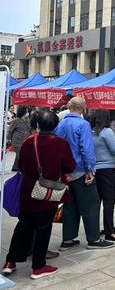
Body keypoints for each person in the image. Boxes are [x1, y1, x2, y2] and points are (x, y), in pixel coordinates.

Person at [2, 110, 76, 279]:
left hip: (28, 191)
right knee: (43, 228)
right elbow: (69, 166)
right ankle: (38, 266)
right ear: (55, 125)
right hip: (48, 193)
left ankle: (10, 262)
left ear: (37, 124)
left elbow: (20, 165)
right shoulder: (61, 143)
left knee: (23, 226)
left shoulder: (29, 142)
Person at [55, 97, 114, 250]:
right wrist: (90, 170)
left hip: (65, 171)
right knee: (91, 204)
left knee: (70, 205)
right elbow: (86, 148)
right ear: (84, 107)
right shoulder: (83, 124)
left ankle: (68, 239)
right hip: (80, 169)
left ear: (69, 106)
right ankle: (94, 239)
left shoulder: (61, 124)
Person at [91, 110, 115, 242]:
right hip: (107, 170)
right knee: (109, 201)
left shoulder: (90, 132)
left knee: (96, 201)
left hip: (94, 170)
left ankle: (94, 230)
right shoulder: (106, 132)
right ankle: (110, 231)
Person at [7, 106, 32, 171]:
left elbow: (30, 129)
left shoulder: (27, 120)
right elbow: (10, 130)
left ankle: (15, 167)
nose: (28, 113)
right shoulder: (16, 120)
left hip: (25, 140)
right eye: (26, 111)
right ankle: (22, 169)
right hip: (17, 141)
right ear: (23, 112)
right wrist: (9, 139)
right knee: (20, 155)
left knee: (20, 154)